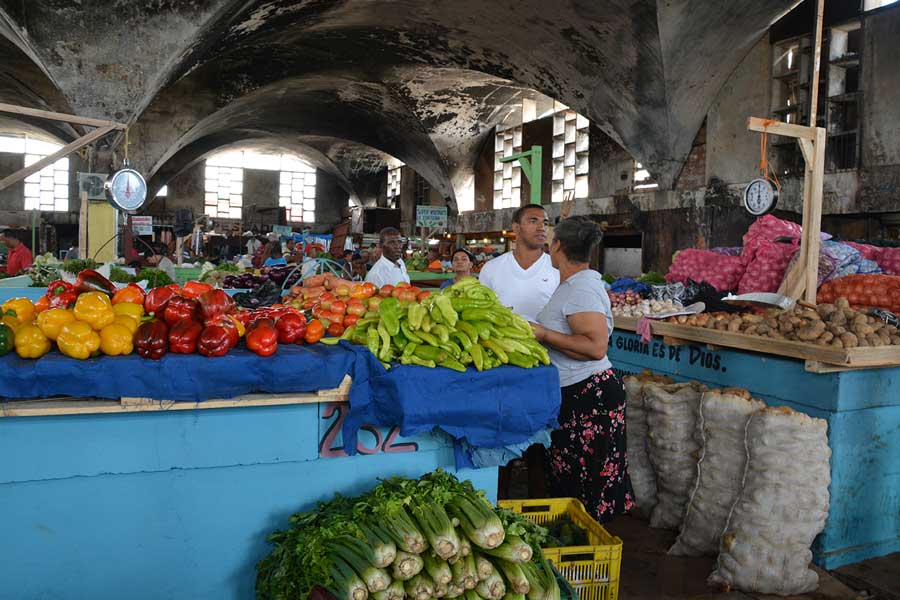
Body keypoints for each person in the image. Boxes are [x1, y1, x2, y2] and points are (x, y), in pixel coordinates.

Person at [530, 217, 632, 524]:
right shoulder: (575, 284)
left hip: (590, 397)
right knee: (575, 483)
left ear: (558, 245)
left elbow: (595, 347)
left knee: (585, 487)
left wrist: (543, 334)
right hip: (579, 394)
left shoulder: (582, 289)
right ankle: (581, 551)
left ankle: (587, 556)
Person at [478, 204, 559, 321]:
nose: (541, 227)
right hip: (503, 338)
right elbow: (482, 312)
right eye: (533, 221)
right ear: (516, 227)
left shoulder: (558, 268)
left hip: (549, 339)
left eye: (545, 223)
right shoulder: (491, 268)